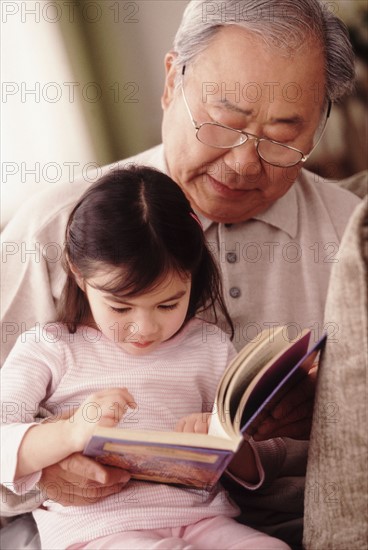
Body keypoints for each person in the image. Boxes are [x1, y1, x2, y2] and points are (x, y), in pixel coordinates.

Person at [0, 0, 362, 547]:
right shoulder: (57, 229)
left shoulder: (352, 239)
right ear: (172, 82)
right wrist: (44, 467)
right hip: (94, 527)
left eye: (283, 136)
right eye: (223, 123)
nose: (243, 162)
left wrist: (331, 413)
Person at [1, 166, 290, 550]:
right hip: (98, 532)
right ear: (78, 272)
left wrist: (225, 444)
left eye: (168, 304)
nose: (145, 328)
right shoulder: (50, 347)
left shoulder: (209, 347)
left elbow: (261, 464)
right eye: (121, 308)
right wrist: (69, 433)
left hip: (203, 519)